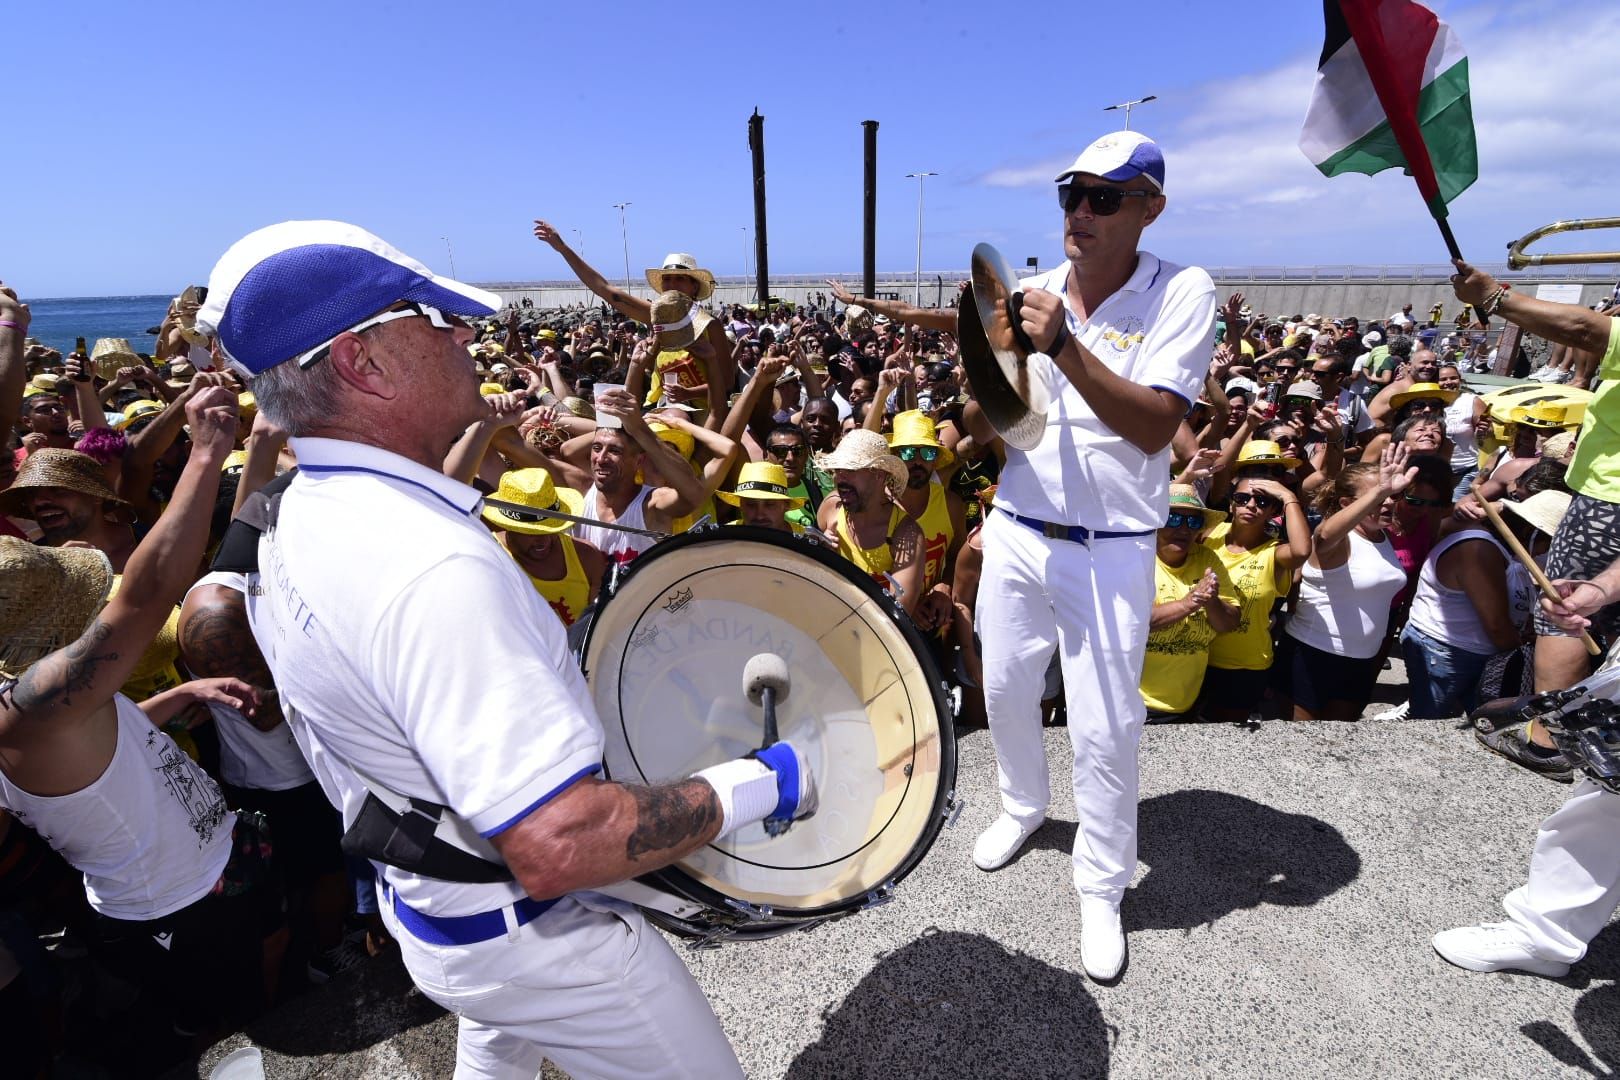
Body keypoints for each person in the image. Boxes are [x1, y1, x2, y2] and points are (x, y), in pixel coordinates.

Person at [194, 221, 817, 1079]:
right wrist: (768, 780)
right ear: (361, 364)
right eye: (435, 318)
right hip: (537, 944)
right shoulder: (427, 564)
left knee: (496, 1051)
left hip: (437, 916)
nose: (465, 335)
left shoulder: (293, 508)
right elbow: (561, 846)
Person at [969, 131, 1217, 982]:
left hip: (1112, 548)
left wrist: (1065, 346)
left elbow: (1155, 428)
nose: (1081, 209)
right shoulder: (1030, 290)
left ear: (1150, 207)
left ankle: (1102, 885)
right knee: (1003, 687)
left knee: (1107, 724)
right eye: (1072, 192)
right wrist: (989, 371)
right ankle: (1023, 806)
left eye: (1104, 196)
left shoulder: (1182, 291)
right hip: (1017, 526)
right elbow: (999, 426)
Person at [0, 386, 280, 1060]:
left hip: (204, 864)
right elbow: (149, 592)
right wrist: (208, 452)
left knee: (265, 964)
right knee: (226, 1030)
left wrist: (180, 698)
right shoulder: (29, 708)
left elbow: (93, 756)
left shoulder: (47, 707)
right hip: (176, 905)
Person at [532, 224, 733, 423]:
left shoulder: (710, 325)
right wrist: (563, 250)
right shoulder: (655, 316)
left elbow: (726, 381)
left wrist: (688, 393)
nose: (672, 285)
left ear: (694, 287)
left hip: (702, 410)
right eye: (667, 279)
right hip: (659, 408)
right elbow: (607, 291)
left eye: (680, 279)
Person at [1274, 452, 1415, 722]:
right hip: (1311, 656)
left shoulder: (1384, 537)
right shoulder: (1339, 540)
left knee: (1339, 746)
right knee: (1299, 748)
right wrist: (1380, 490)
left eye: (1393, 495)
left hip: (1360, 662)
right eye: (1377, 496)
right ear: (1347, 504)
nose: (1388, 502)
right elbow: (1324, 535)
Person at [1200, 475, 1311, 724]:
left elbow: (1302, 551)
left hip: (1243, 666)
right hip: (1196, 655)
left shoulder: (1275, 553)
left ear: (1273, 510)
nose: (1251, 505)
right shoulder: (1209, 535)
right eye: (1242, 498)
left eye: (1262, 501)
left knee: (1225, 738)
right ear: (1231, 504)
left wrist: (1290, 498)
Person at [1140, 487, 1239, 720]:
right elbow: (1134, 623)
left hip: (1189, 700)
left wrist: (1211, 600)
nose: (1183, 529)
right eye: (1173, 518)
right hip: (1137, 702)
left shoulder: (1206, 558)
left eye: (1193, 522)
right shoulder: (1138, 559)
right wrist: (1191, 601)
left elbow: (1229, 623)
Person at [815, 430, 925, 616]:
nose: (840, 478)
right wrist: (819, 555)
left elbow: (897, 615)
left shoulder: (906, 535)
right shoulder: (831, 509)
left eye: (850, 470)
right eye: (837, 470)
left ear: (879, 475)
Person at [481, 467, 606, 628]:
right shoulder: (490, 560)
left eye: (551, 528)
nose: (544, 540)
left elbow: (601, 628)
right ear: (509, 527)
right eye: (531, 532)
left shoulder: (587, 556)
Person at [887, 410, 967, 633]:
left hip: (934, 627)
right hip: (881, 621)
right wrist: (907, 606)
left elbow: (955, 559)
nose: (918, 461)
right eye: (909, 452)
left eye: (928, 454)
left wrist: (944, 586)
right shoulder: (877, 503)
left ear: (935, 461)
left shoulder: (950, 505)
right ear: (893, 456)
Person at [716, 460, 805, 532]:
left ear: (786, 505)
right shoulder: (724, 538)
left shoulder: (807, 542)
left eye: (769, 504)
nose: (759, 515)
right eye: (751, 504)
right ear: (741, 504)